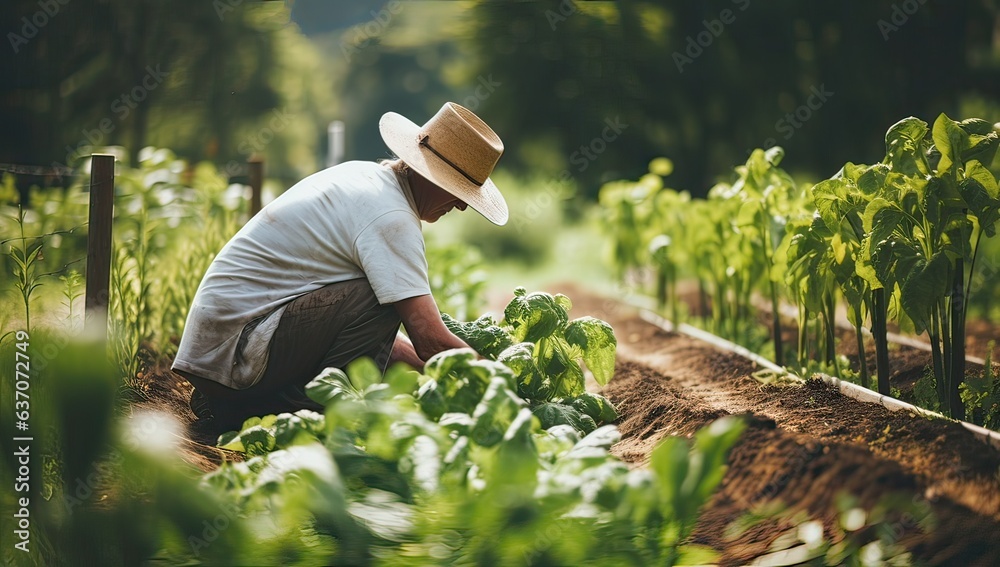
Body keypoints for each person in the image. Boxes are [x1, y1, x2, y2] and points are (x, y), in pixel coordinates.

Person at [171, 102, 508, 428]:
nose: (462, 207)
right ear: (433, 177)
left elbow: (375, 340)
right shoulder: (392, 218)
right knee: (379, 301)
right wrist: (503, 390)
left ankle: (240, 404)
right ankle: (293, 414)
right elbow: (429, 338)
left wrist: (428, 377)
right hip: (238, 351)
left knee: (379, 299)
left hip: (221, 352)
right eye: (460, 193)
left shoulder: (365, 177)